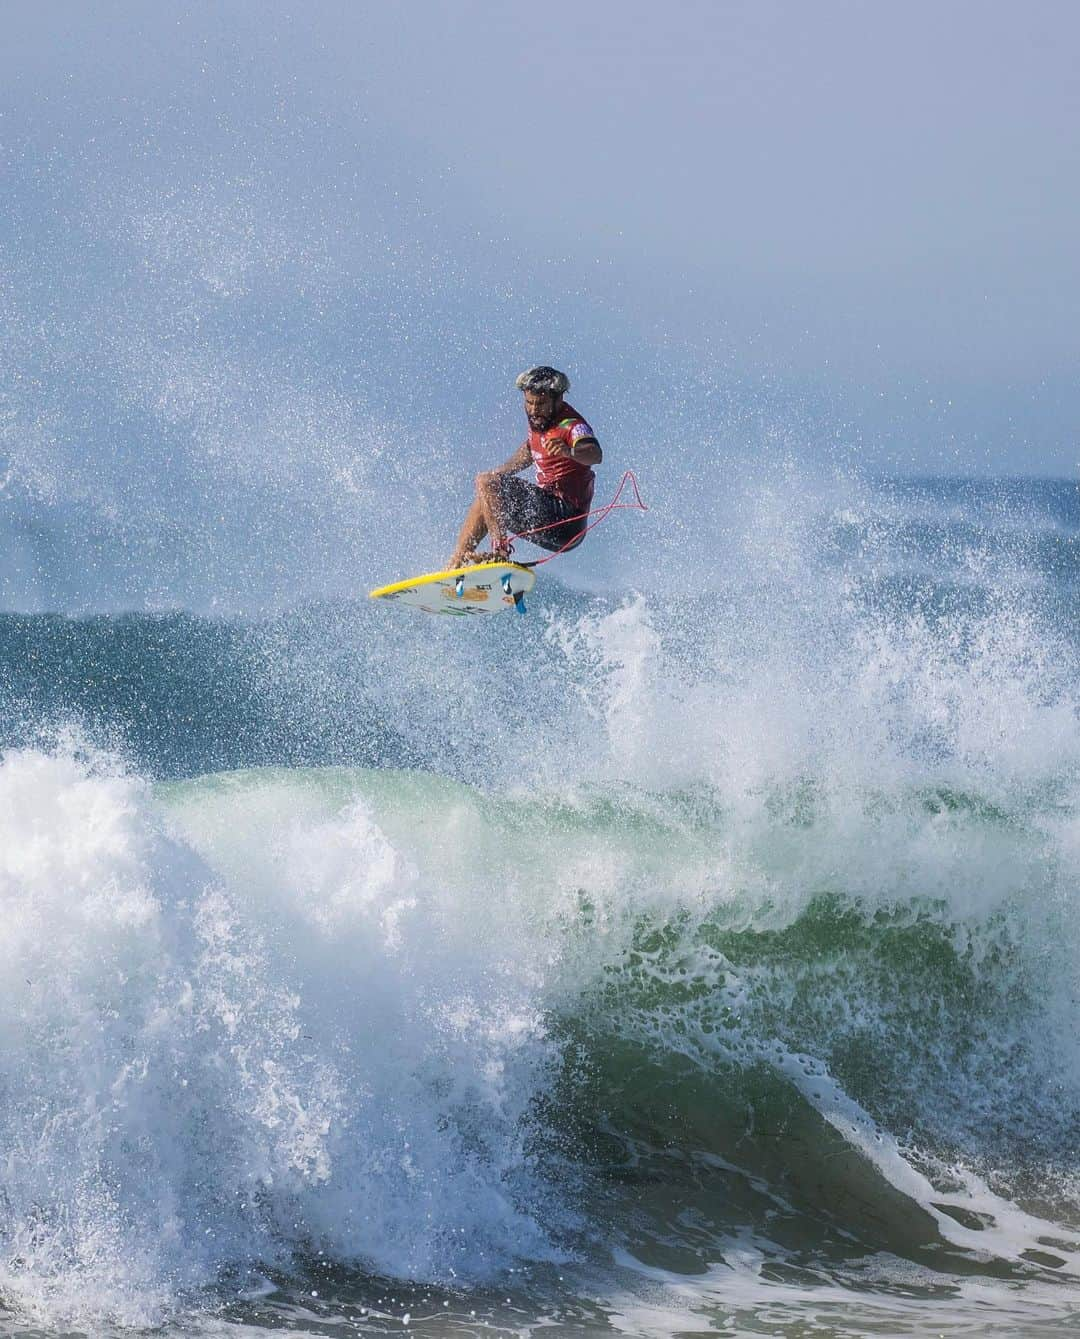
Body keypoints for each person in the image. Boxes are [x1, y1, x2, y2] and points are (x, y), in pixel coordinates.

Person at [448, 366, 603, 568]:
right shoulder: (540, 419)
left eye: (540, 404)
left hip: (567, 521)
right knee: (486, 493)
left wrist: (569, 452)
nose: (533, 409)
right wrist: (499, 475)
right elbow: (531, 449)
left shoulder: (572, 425)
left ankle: (499, 553)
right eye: (529, 403)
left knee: (487, 483)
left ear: (559, 400)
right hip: (545, 517)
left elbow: (595, 454)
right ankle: (454, 566)